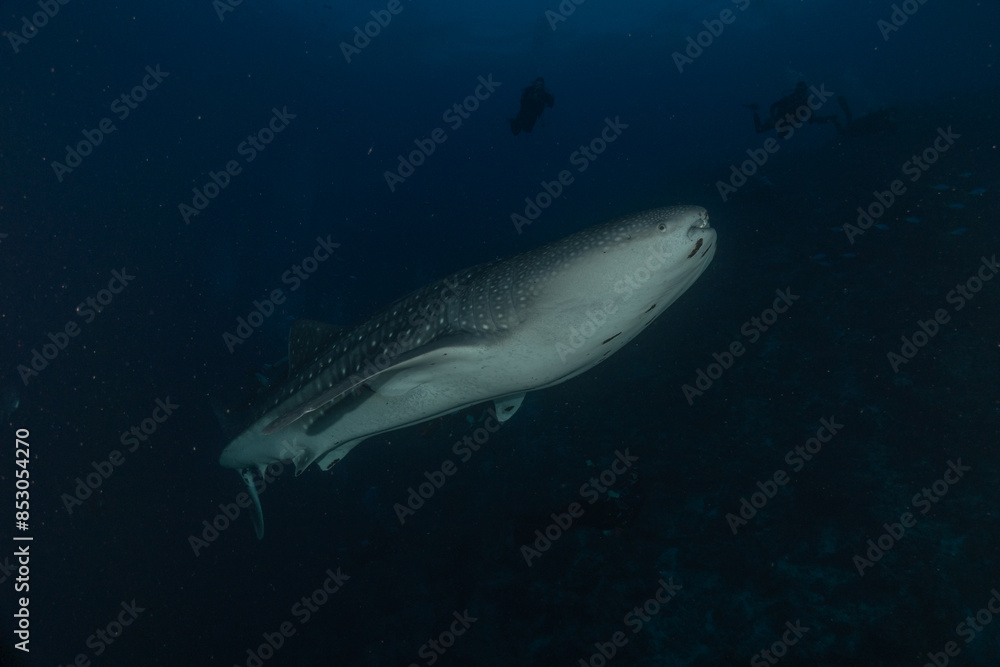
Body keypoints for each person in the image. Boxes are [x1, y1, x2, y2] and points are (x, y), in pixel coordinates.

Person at [746, 81, 838, 139]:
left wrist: (827, 118)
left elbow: (812, 119)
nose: (801, 93)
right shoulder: (791, 98)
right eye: (800, 91)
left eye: (803, 91)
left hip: (783, 121)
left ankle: (755, 111)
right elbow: (774, 106)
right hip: (779, 119)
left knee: (761, 130)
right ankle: (755, 111)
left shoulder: (806, 104)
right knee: (759, 130)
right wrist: (773, 116)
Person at [832, 95, 898, 137]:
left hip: (860, 126)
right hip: (860, 125)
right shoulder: (883, 119)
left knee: (848, 119)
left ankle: (834, 119)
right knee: (848, 120)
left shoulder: (883, 120)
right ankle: (834, 119)